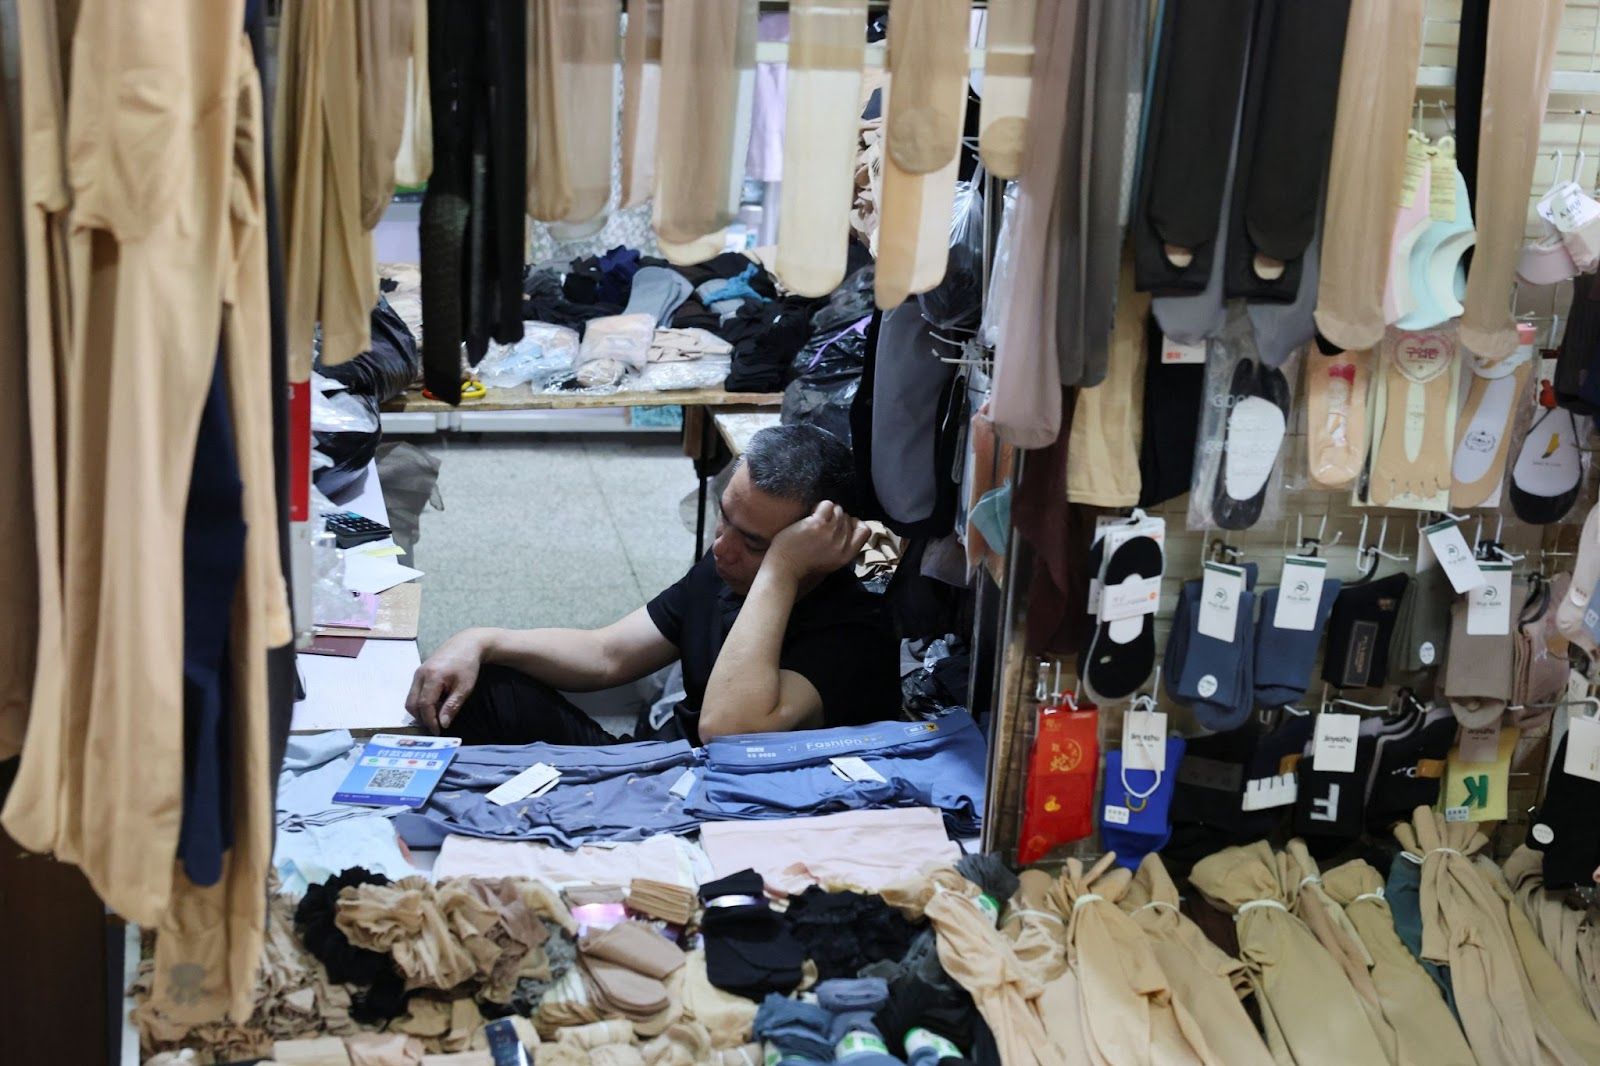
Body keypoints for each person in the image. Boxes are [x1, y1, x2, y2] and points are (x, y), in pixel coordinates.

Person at [406, 424, 902, 744]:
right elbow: (608, 654)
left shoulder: (852, 634)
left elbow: (726, 732)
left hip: (724, 809)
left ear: (815, 546)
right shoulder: (726, 567)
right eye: (724, 519)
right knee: (474, 687)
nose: (723, 547)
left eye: (755, 543)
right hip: (662, 771)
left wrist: (780, 569)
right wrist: (479, 640)